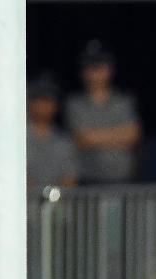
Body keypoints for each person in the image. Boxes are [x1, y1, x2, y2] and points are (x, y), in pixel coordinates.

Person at [65, 40, 142, 185]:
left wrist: (95, 136)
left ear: (110, 68)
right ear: (82, 71)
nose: (96, 70)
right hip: (87, 181)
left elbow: (133, 134)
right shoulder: (74, 103)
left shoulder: (123, 100)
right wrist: (118, 135)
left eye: (100, 65)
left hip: (122, 180)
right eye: (90, 66)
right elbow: (82, 138)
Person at [26, 74, 78, 188]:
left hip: (58, 202)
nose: (41, 105)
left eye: (47, 100)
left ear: (56, 105)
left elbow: (70, 178)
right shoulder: (16, 139)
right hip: (22, 201)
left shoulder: (65, 141)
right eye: (36, 99)